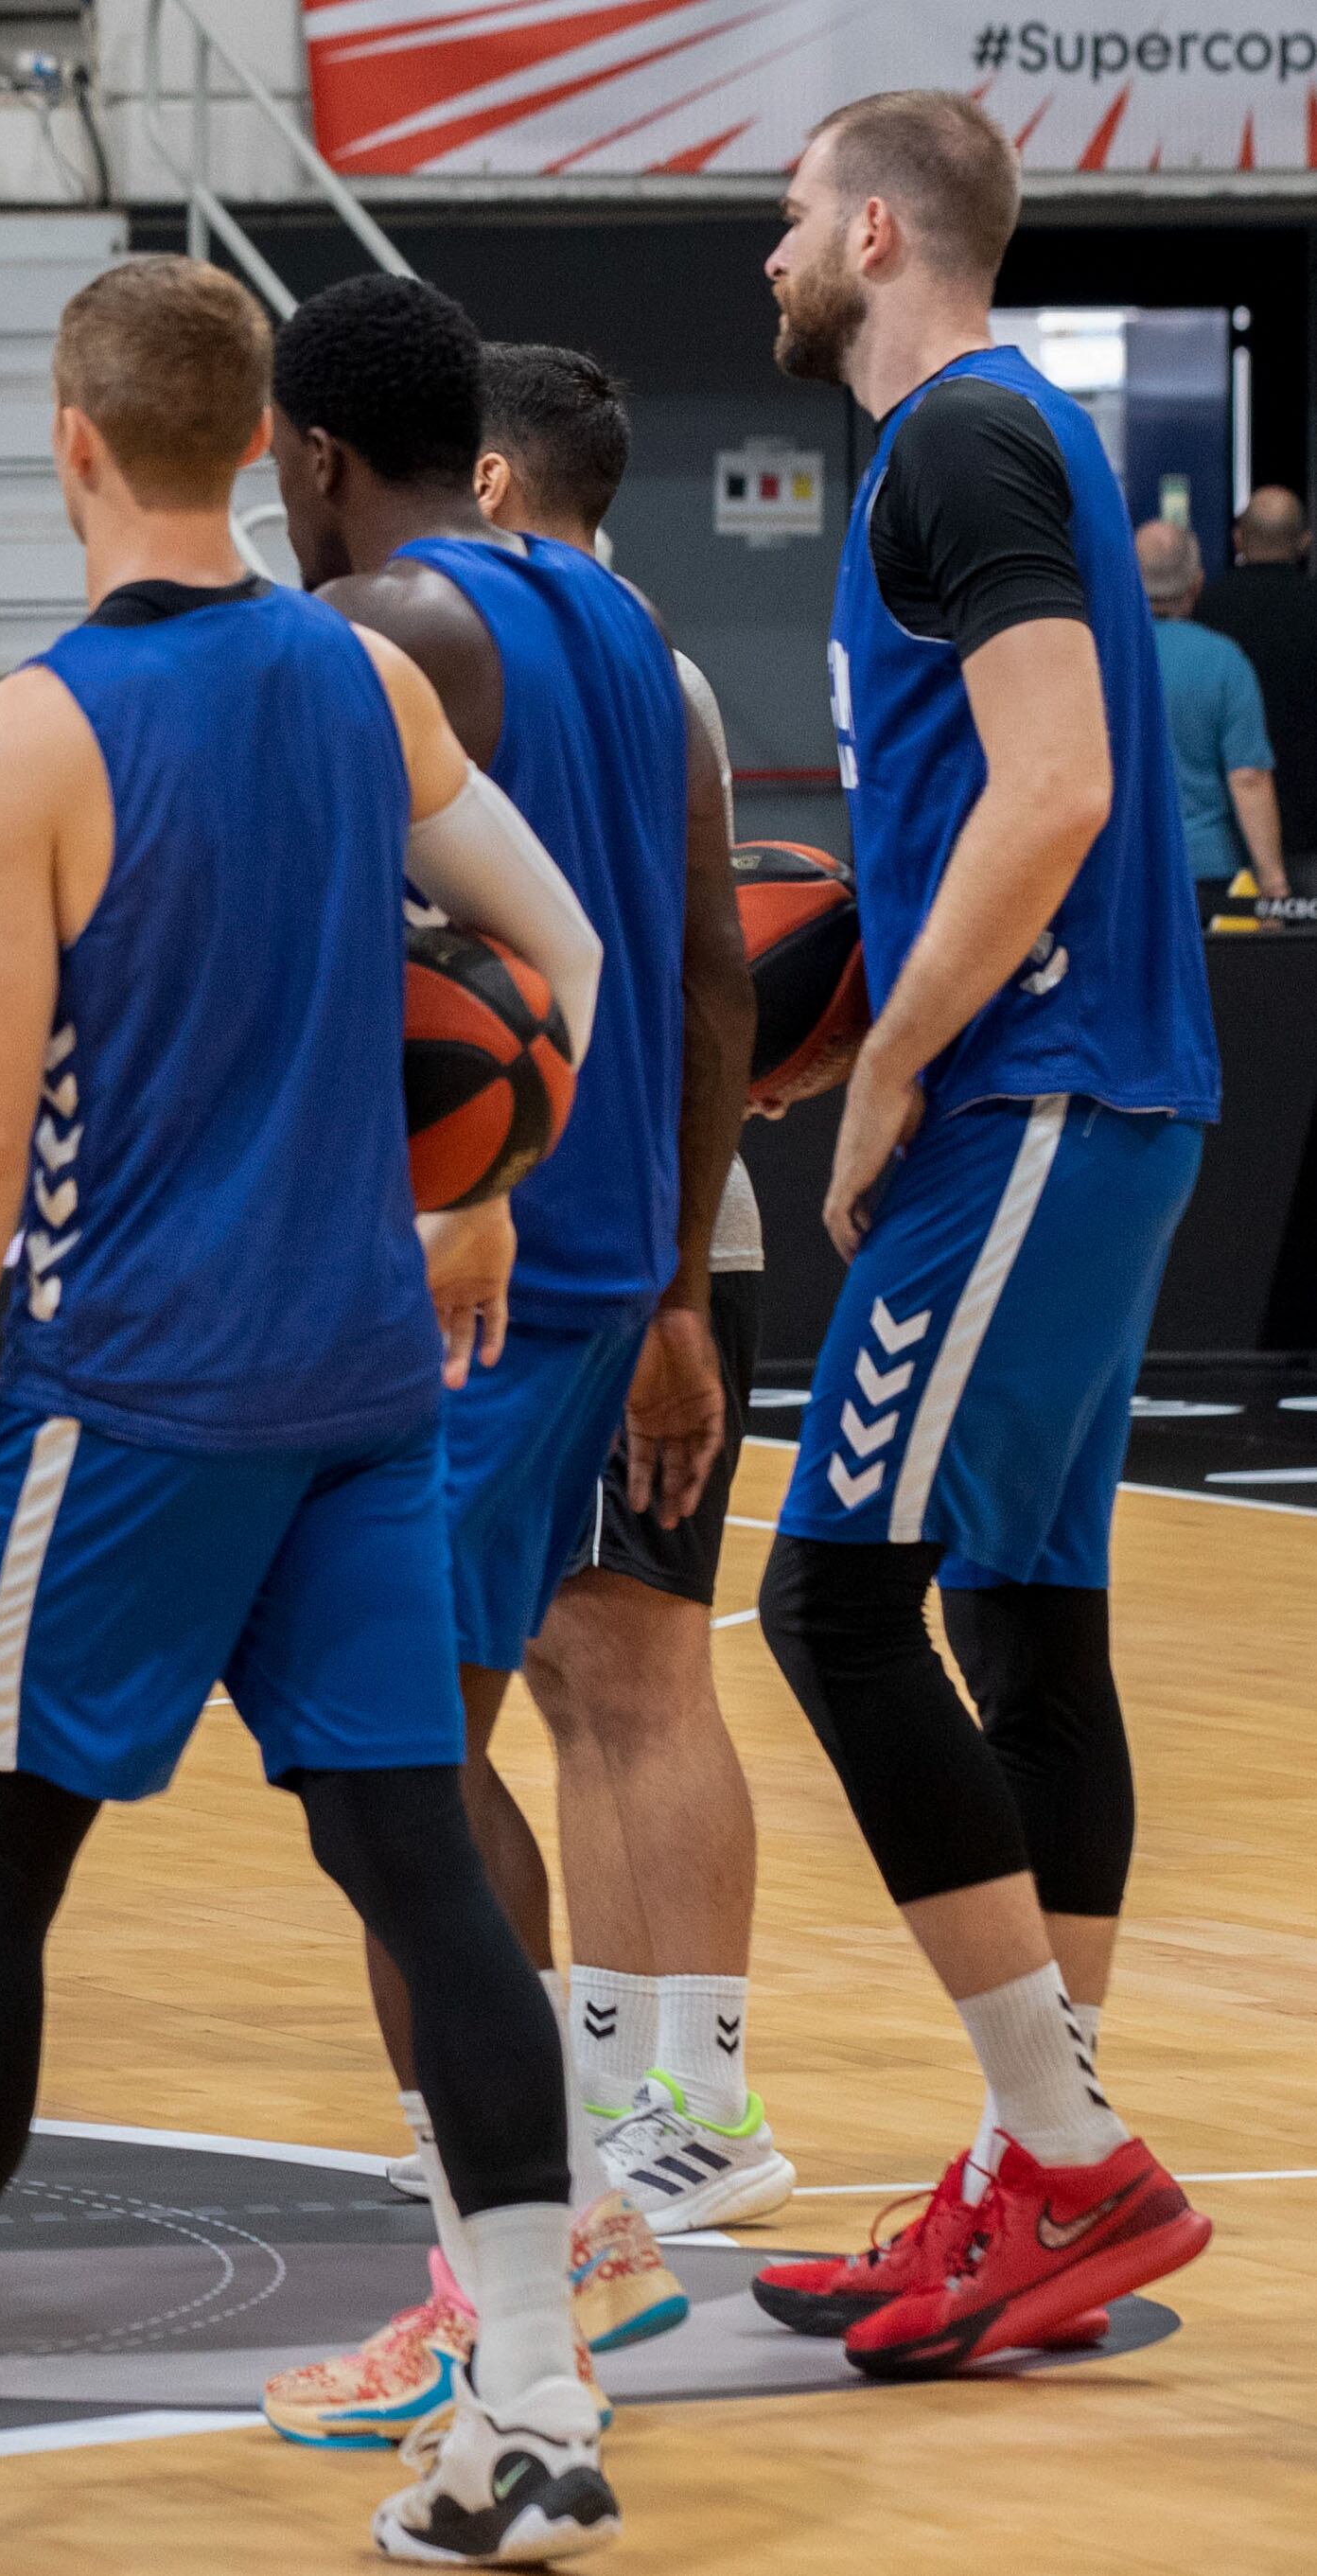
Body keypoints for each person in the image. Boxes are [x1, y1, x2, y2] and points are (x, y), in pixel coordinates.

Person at [0, 254, 621, 2567]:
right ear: (261, 439)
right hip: (366, 1383)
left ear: (70, 439)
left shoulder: (32, 737)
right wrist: (494, 1175)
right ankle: (537, 2405)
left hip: (132, 1394)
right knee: (421, 1877)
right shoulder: (367, 683)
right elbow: (556, 958)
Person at [748, 86, 1220, 2376]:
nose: (763, 263)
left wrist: (893, 1059)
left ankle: (1062, 2145)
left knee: (831, 1594)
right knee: (1033, 1615)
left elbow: (1059, 786)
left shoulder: (956, 440)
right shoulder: (982, 448)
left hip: (1032, 1085)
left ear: (869, 230)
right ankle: (1044, 2169)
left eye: (781, 225)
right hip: (1098, 1086)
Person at [255, 278, 722, 2440]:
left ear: (312, 454)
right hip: (602, 1253)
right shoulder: (620, 618)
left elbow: (403, 976)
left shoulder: (398, 630)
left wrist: (474, 1193)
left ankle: (521, 2262)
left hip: (484, 1270)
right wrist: (690, 1281)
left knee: (394, 1788)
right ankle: (562, 2217)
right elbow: (705, 953)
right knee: (424, 1767)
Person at [470, 344, 793, 2232]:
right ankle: (613, 2081)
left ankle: (702, 2096)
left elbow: (712, 986)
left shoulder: (584, 658)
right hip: (612, 1237)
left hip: (632, 1245)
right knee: (570, 1675)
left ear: (496, 481)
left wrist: (672, 1286)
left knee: (632, 1674)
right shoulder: (628, 655)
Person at [1137, 519, 1286, 909]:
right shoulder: (1224, 660)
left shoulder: (1099, 659)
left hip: (1125, 868)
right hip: (1209, 873)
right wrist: (1272, 884)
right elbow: (1249, 778)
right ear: (1197, 582)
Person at [1195, 485, 1317, 857]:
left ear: (1238, 539)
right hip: (1309, 815)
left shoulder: (1205, 608)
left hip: (1229, 826)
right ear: (1305, 541)